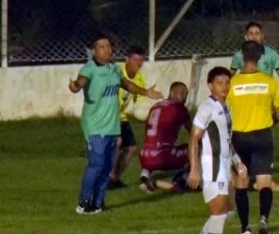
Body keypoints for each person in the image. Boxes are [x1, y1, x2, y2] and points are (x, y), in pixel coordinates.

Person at [68, 36, 159, 213]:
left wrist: (146, 92)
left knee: (106, 166)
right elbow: (81, 82)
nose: (106, 49)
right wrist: (75, 87)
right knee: (96, 164)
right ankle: (84, 202)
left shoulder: (114, 70)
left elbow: (127, 85)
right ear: (94, 51)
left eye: (109, 46)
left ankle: (99, 203)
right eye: (101, 46)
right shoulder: (89, 68)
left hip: (112, 125)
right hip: (95, 125)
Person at [183, 67, 246, 234]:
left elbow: (227, 141)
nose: (224, 86)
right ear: (210, 85)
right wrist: (194, 169)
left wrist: (237, 162)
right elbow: (194, 138)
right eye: (219, 82)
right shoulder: (206, 108)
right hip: (212, 168)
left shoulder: (226, 107)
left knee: (227, 214)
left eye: (227, 82)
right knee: (219, 215)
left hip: (225, 167)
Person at [229, 40, 279, 234]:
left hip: (239, 137)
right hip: (262, 135)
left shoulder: (231, 84)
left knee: (241, 182)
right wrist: (271, 122)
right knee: (264, 182)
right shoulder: (269, 82)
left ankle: (245, 228)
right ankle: (263, 221)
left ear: (242, 57)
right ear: (261, 57)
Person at [109, 45, 160, 189]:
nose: (138, 64)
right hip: (110, 115)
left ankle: (115, 178)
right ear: (127, 59)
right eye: (135, 60)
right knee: (116, 142)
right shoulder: (117, 72)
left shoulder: (139, 78)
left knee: (131, 147)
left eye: (141, 61)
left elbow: (139, 102)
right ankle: (105, 178)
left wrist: (147, 111)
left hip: (121, 116)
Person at [137, 81, 192, 194]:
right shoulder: (179, 108)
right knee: (196, 148)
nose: (185, 97)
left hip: (144, 155)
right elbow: (193, 132)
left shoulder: (155, 106)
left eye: (186, 93)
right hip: (163, 155)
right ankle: (182, 181)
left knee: (152, 146)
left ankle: (144, 178)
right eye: (181, 93)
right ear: (172, 92)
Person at [230, 21, 279, 99]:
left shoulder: (272, 54)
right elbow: (230, 76)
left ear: (262, 36)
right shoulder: (238, 55)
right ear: (246, 37)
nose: (254, 37)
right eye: (251, 33)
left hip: (266, 95)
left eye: (257, 33)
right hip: (247, 96)